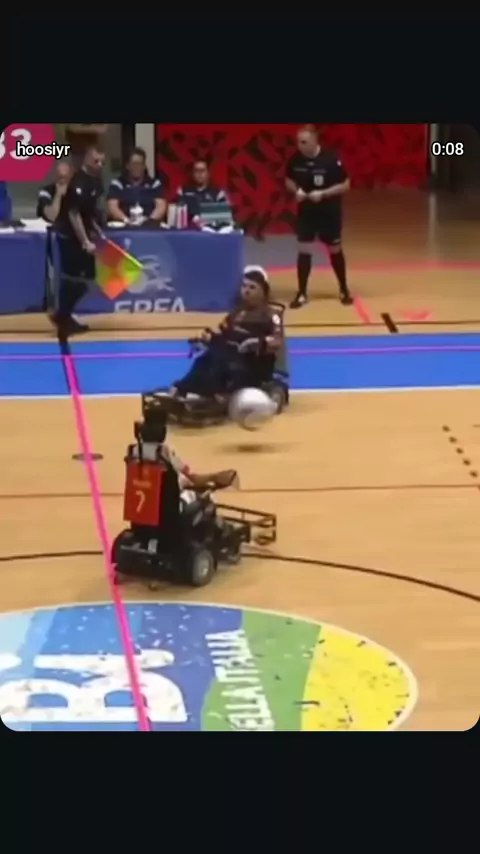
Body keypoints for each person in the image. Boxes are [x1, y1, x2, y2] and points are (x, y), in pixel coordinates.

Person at [170, 266, 282, 399]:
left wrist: (258, 342)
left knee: (221, 359)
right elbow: (222, 334)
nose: (246, 291)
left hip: (252, 364)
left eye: (252, 287)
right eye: (244, 286)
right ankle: (183, 388)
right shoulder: (236, 313)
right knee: (204, 359)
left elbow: (277, 340)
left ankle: (213, 392)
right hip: (231, 358)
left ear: (263, 291)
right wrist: (209, 337)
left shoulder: (270, 315)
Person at [286, 124, 352, 309]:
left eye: (304, 142)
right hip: (307, 213)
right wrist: (296, 191)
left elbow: (345, 184)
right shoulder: (296, 159)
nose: (300, 145)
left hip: (329, 213)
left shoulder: (330, 159)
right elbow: (288, 179)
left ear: (314, 140)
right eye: (298, 142)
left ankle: (344, 289)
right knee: (304, 250)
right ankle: (301, 293)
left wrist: (323, 193)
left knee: (334, 249)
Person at [53, 145, 105, 337]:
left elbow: (88, 213)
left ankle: (62, 315)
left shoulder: (96, 182)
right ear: (86, 160)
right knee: (73, 279)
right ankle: (63, 318)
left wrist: (98, 231)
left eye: (102, 162)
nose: (99, 165)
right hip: (69, 235)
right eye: (96, 161)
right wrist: (85, 241)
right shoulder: (78, 182)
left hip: (83, 234)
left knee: (87, 278)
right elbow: (73, 214)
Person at [107, 147, 166, 225]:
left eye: (139, 164)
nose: (137, 167)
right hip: (124, 225)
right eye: (134, 164)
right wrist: (126, 221)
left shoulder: (154, 184)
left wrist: (149, 222)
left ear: (144, 166)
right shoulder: (117, 184)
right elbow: (112, 207)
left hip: (149, 226)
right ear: (127, 166)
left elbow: (161, 206)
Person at [175, 159, 229, 225]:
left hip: (210, 229)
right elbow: (177, 213)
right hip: (188, 229)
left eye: (202, 170)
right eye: (196, 170)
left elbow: (224, 217)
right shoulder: (182, 191)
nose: (199, 174)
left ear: (208, 173)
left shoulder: (218, 193)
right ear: (192, 173)